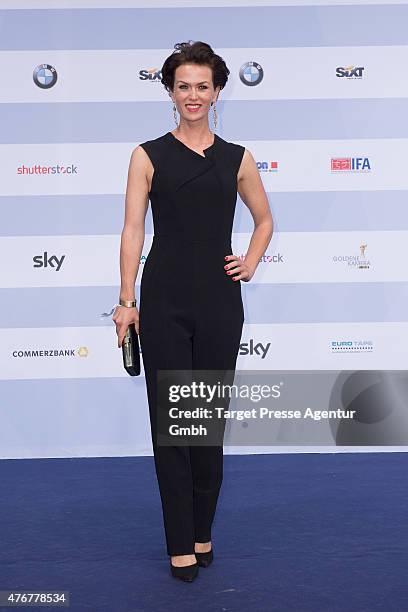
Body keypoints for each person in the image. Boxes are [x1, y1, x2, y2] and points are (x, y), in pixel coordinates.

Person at [113, 41, 273, 582]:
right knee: (171, 428)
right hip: (163, 300)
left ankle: (203, 531)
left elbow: (265, 219)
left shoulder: (237, 157)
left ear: (218, 91)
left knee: (206, 427)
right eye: (184, 86)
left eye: (203, 86)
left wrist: (249, 261)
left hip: (219, 302)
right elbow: (133, 231)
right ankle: (180, 541)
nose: (193, 95)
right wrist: (126, 302)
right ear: (170, 91)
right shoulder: (147, 155)